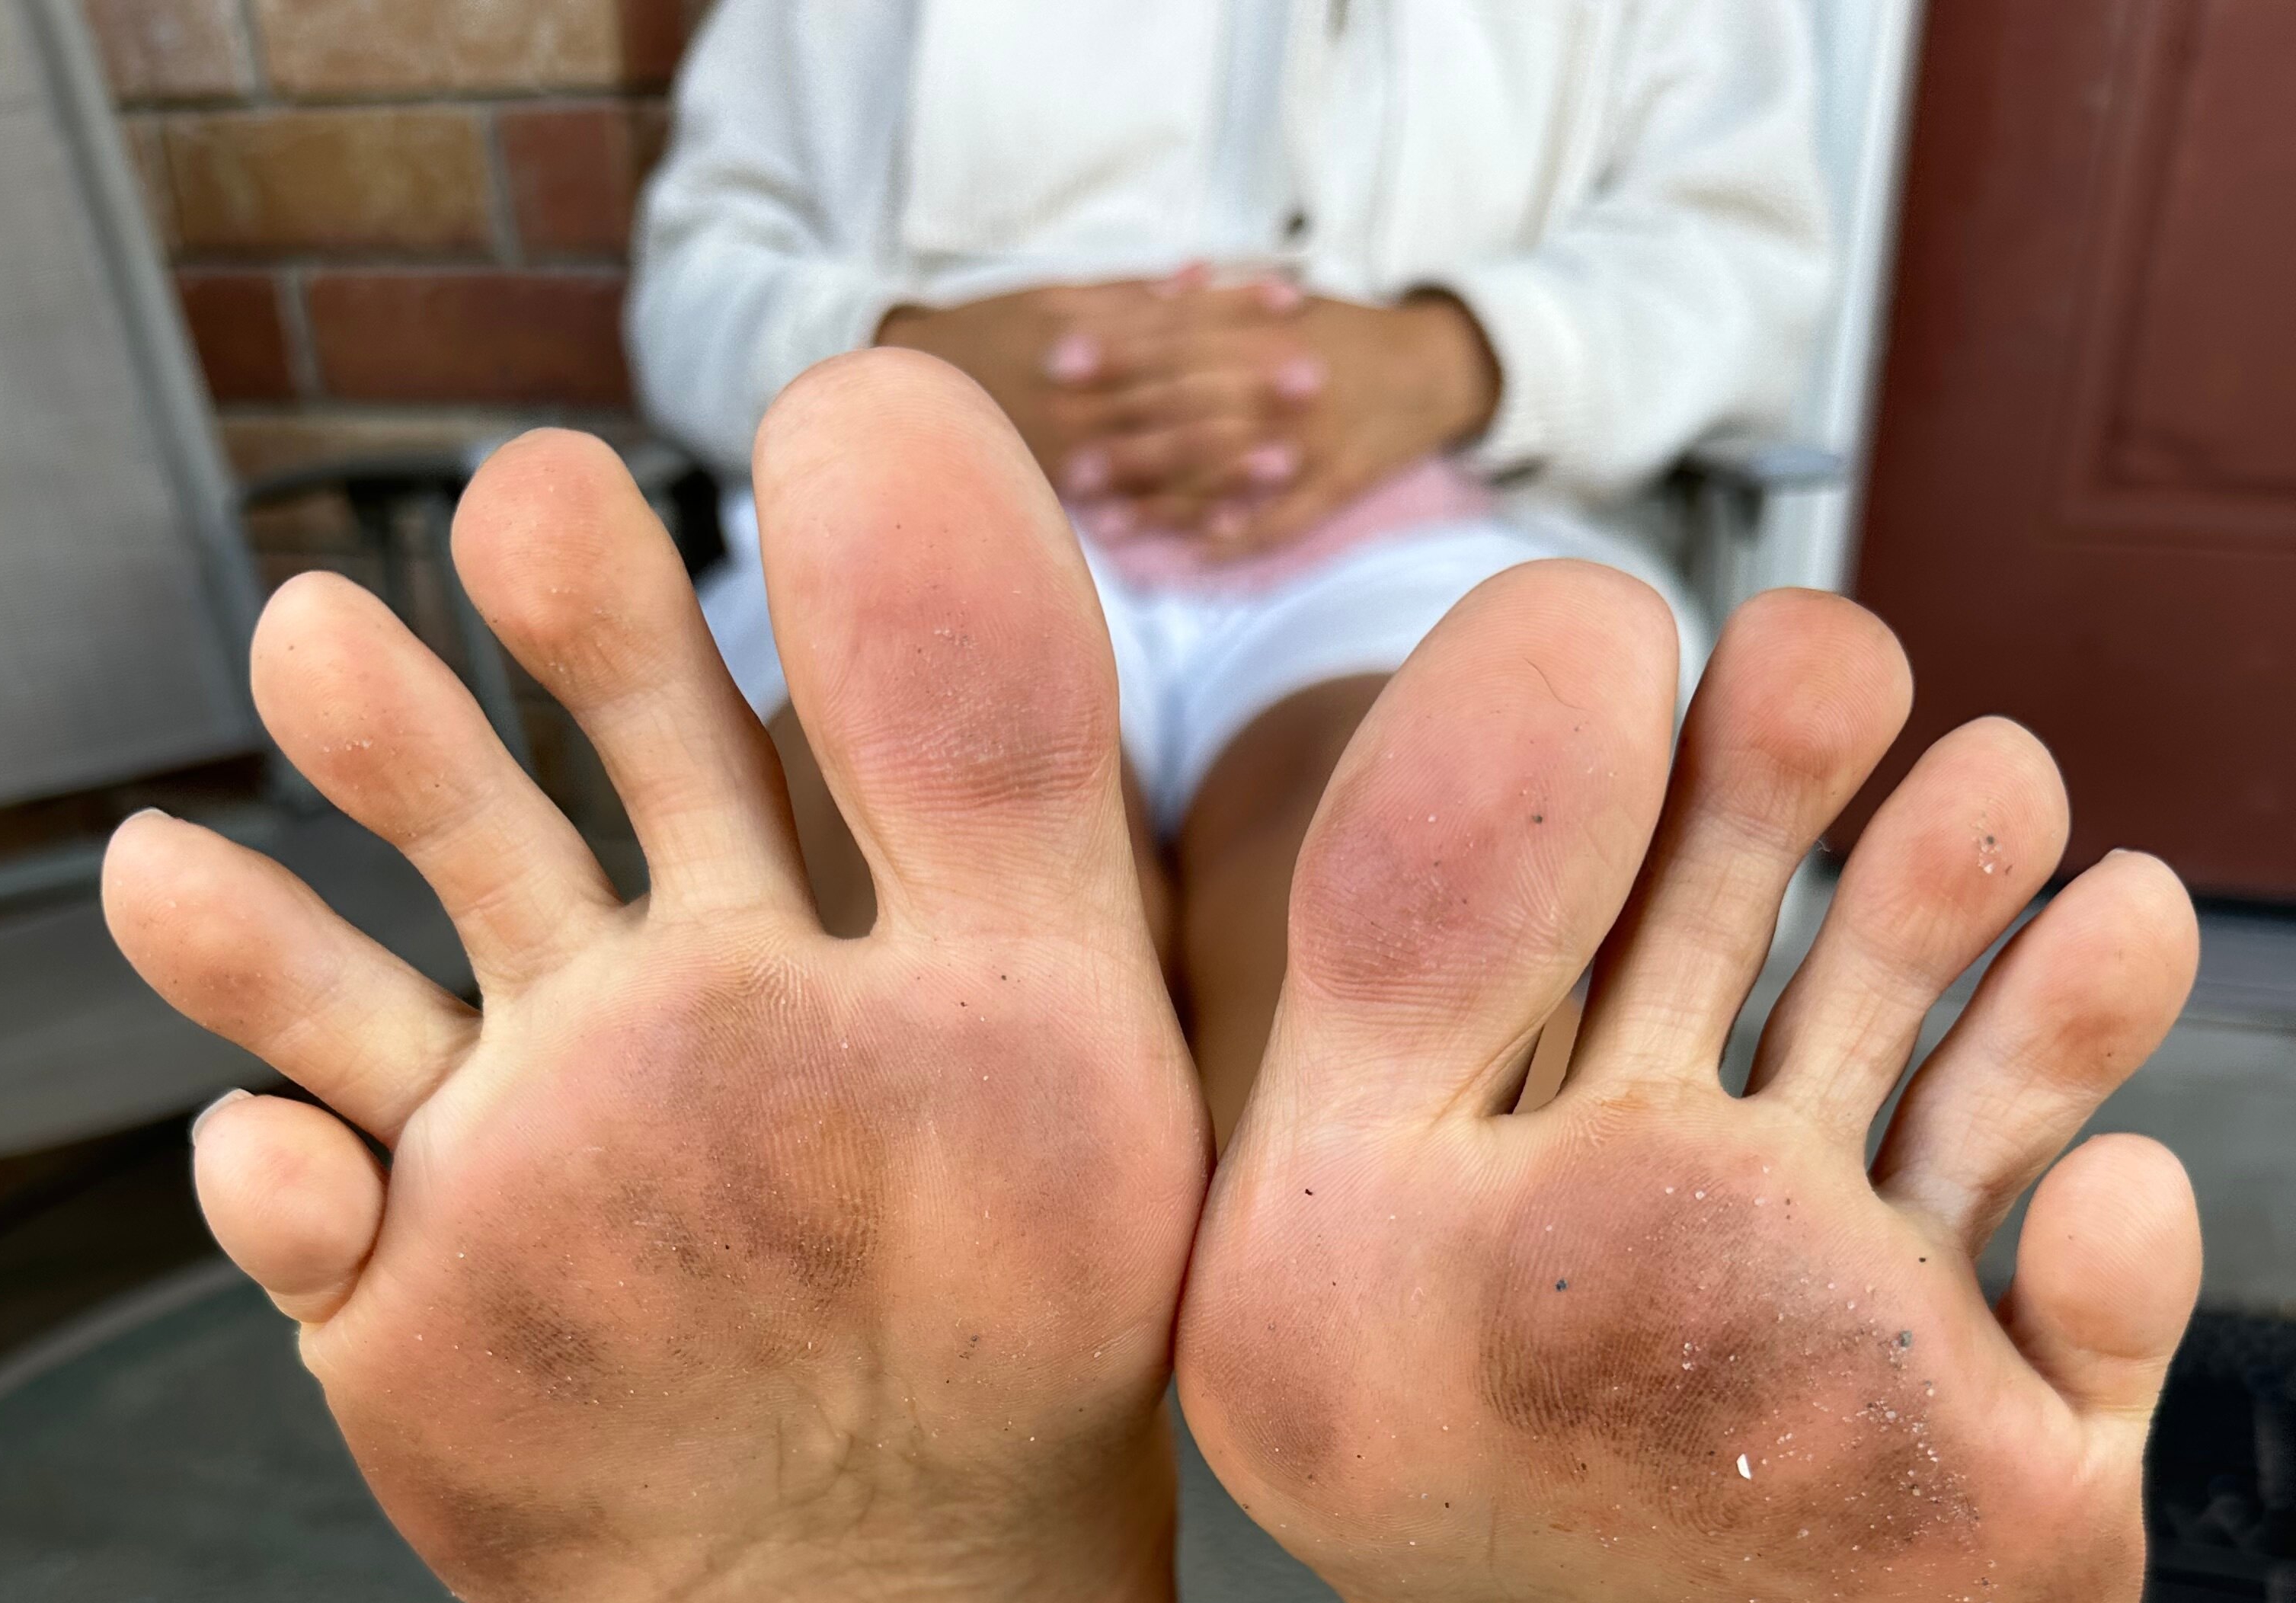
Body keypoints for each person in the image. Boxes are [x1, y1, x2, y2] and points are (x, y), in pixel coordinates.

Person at [101, 350, 2202, 1603]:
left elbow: (1705, 270)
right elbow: (735, 259)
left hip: (1371, 534)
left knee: (1274, 820)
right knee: (1075, 810)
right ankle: (1389, 1251)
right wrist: (951, 319)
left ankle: (1265, 1250)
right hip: (995, 531)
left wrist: (1454, 352)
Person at [628, 0, 1834, 1137]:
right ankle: (1338, 1238)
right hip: (952, 481)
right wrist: (910, 346)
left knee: (1406, 879)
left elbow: (1741, 254)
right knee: (941, 837)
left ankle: (972, 1209)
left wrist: (1463, 355)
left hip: (1425, 522)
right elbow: (701, 273)